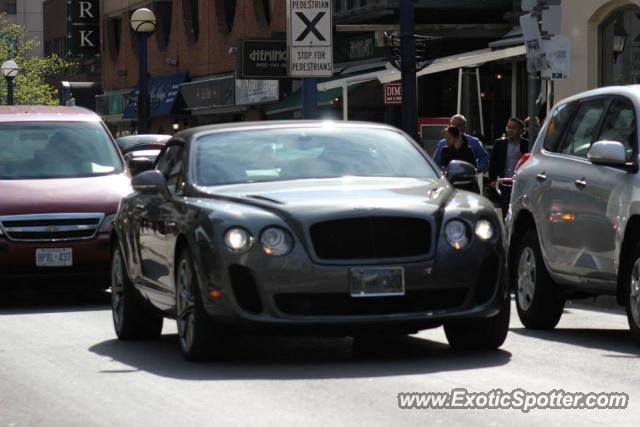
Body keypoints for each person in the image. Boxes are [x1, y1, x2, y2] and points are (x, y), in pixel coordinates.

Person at [490, 118, 529, 218]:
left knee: (520, 212)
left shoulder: (527, 144)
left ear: (521, 130)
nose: (510, 130)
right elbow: (493, 163)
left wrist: (523, 158)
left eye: (513, 128)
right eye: (508, 127)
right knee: (506, 211)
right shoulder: (500, 143)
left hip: (521, 184)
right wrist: (493, 180)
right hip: (505, 183)